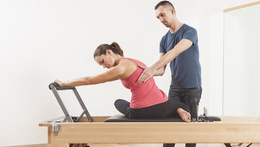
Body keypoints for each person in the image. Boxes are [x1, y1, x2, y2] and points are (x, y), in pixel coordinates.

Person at [139, 1, 202, 147]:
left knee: (191, 126)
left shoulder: (190, 32)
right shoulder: (163, 39)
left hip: (192, 88)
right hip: (175, 88)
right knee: (170, 125)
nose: (160, 19)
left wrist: (152, 67)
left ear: (172, 11)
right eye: (158, 17)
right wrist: (143, 72)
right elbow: (160, 69)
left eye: (162, 15)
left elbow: (175, 52)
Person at [54, 42, 191, 121]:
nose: (103, 66)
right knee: (176, 103)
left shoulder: (121, 68)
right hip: (163, 106)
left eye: (102, 61)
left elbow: (89, 80)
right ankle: (178, 109)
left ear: (109, 52)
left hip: (141, 112)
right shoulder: (133, 63)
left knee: (118, 103)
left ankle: (174, 108)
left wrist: (64, 83)